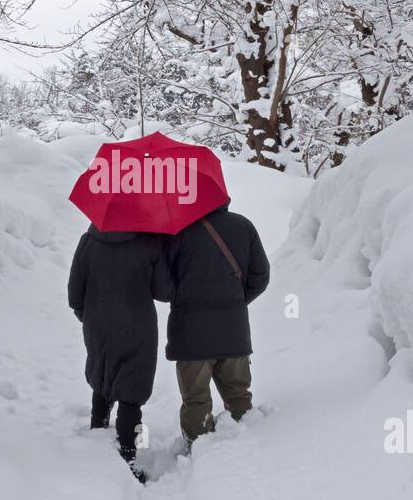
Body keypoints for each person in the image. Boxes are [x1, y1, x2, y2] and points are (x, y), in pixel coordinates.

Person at [68, 225, 172, 481]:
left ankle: (98, 428)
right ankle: (128, 453)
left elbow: (74, 293)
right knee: (132, 389)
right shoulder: (148, 241)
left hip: (97, 324)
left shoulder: (88, 241)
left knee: (102, 372)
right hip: (138, 325)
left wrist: (89, 317)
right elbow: (165, 291)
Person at [164, 199, 270, 444]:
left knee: (196, 400)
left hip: (191, 336)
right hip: (233, 332)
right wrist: (236, 302)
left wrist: (183, 297)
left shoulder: (177, 231)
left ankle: (200, 451)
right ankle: (251, 452)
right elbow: (261, 276)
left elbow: (161, 284)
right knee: (239, 397)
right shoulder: (244, 226)